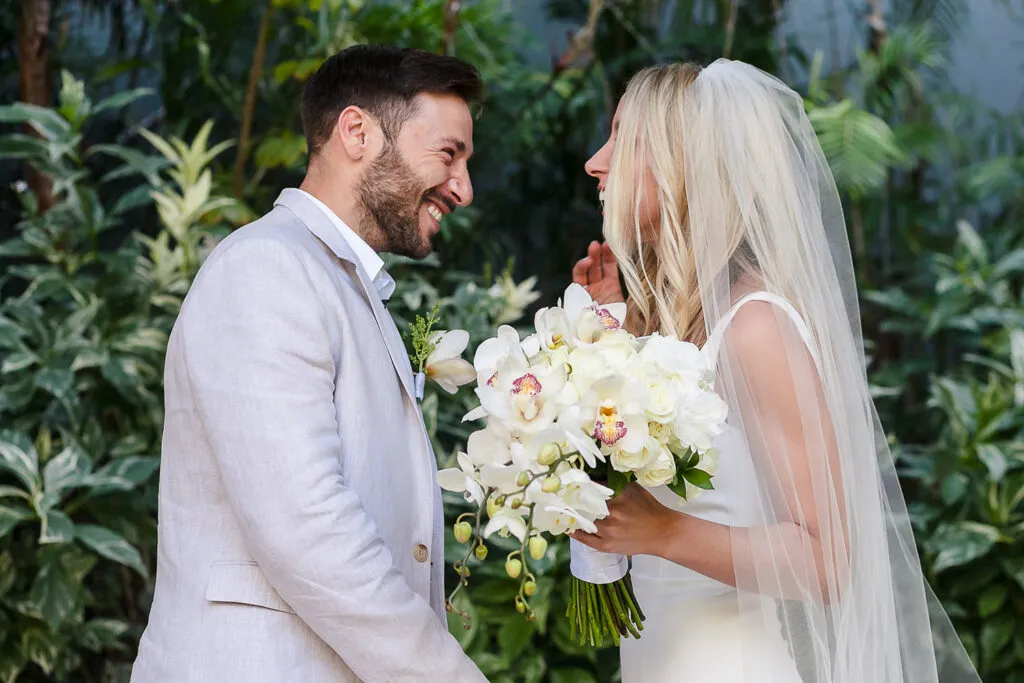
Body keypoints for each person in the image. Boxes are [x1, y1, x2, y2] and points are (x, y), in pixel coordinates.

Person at [570, 59, 980, 683]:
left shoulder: (756, 327)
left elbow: (827, 560)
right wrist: (608, 344)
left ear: (686, 164)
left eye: (623, 137)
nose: (596, 162)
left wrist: (663, 531)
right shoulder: (674, 325)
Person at [130, 44, 488, 682]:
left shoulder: (341, 282)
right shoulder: (265, 269)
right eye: (448, 153)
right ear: (357, 132)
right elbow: (309, 531)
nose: (462, 186)